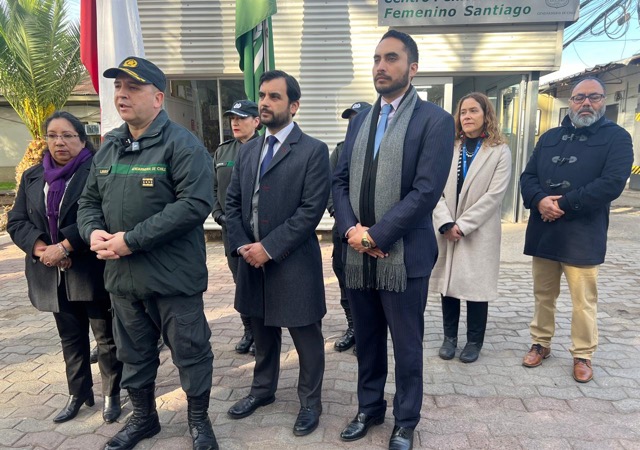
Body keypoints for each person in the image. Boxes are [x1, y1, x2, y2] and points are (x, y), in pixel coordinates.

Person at [77, 56, 218, 450]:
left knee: (190, 352)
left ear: (158, 98)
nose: (122, 94)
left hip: (173, 277)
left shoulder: (182, 145)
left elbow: (194, 205)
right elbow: (88, 202)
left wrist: (130, 240)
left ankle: (199, 422)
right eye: (119, 87)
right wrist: (94, 233)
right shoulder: (109, 148)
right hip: (124, 280)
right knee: (133, 354)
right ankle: (144, 419)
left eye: (132, 87)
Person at [333, 30, 454, 450]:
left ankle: (406, 420)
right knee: (366, 341)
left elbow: (426, 191)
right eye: (376, 59)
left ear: (412, 68)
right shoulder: (361, 120)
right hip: (358, 256)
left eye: (391, 58)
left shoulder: (435, 121)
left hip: (405, 255)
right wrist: (353, 231)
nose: (380, 67)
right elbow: (341, 181)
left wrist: (376, 235)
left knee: (406, 346)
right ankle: (369, 408)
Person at [224, 70, 330, 437]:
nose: (264, 103)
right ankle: (262, 391)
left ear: (294, 106)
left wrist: (269, 248)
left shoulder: (314, 151)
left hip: (292, 262)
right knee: (261, 331)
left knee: (306, 337)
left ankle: (310, 402)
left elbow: (310, 211)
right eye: (263, 96)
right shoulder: (250, 148)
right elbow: (233, 202)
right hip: (251, 260)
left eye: (274, 97)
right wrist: (243, 246)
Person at [8, 111, 123, 425]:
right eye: (53, 135)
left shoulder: (98, 171)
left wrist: (67, 246)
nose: (59, 142)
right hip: (52, 273)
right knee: (70, 338)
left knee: (105, 338)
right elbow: (16, 222)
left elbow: (104, 215)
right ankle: (78, 394)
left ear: (82, 139)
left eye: (67, 135)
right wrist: (44, 250)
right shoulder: (33, 176)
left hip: (89, 269)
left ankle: (112, 394)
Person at [520, 77, 633, 384]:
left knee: (583, 300)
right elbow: (527, 176)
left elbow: (612, 183)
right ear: (570, 102)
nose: (586, 103)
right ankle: (540, 343)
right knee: (543, 294)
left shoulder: (617, 137)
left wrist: (564, 204)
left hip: (583, 234)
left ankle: (583, 354)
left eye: (593, 97)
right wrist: (540, 200)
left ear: (603, 100)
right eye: (579, 98)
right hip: (544, 228)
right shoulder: (550, 137)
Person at [431, 92, 512, 364]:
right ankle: (449, 338)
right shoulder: (449, 146)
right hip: (447, 227)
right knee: (449, 282)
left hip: (479, 230)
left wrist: (462, 225)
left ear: (485, 114)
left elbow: (494, 195)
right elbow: (434, 189)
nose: (466, 116)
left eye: (473, 111)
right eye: (463, 112)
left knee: (477, 286)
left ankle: (474, 341)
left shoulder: (499, 150)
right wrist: (444, 222)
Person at [212, 99, 261, 356]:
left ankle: (263, 333)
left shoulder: (266, 148)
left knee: (259, 283)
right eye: (232, 117)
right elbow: (213, 189)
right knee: (239, 282)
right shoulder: (222, 152)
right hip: (230, 231)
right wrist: (218, 214)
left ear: (256, 121)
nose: (235, 122)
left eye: (241, 118)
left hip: (257, 233)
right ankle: (249, 331)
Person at [327, 101, 371, 354]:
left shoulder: (382, 149)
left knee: (367, 282)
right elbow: (331, 186)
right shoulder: (341, 150)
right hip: (343, 229)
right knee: (344, 277)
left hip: (370, 231)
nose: (352, 123)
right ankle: (353, 327)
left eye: (358, 118)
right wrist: (344, 220)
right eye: (350, 119)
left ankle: (368, 331)